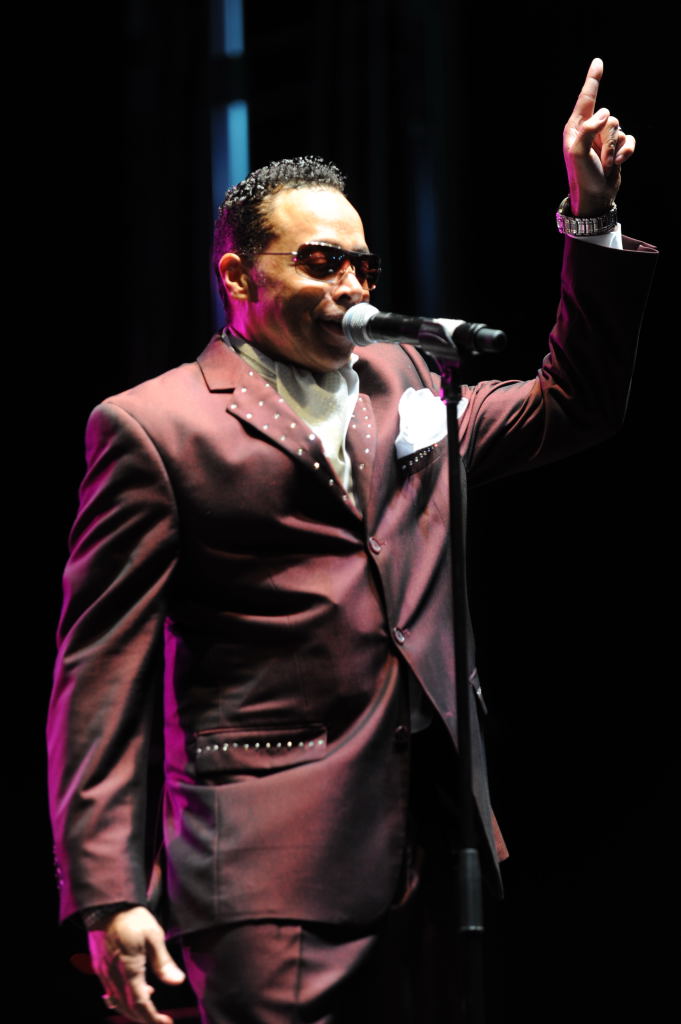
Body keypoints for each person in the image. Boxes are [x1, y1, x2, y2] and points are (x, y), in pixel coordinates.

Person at [47, 58, 656, 1023]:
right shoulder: (152, 427)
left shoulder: (410, 379)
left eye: (363, 266)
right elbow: (99, 673)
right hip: (265, 863)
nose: (351, 285)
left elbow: (573, 404)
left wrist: (591, 217)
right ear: (239, 276)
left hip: (436, 843)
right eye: (321, 262)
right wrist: (108, 893)